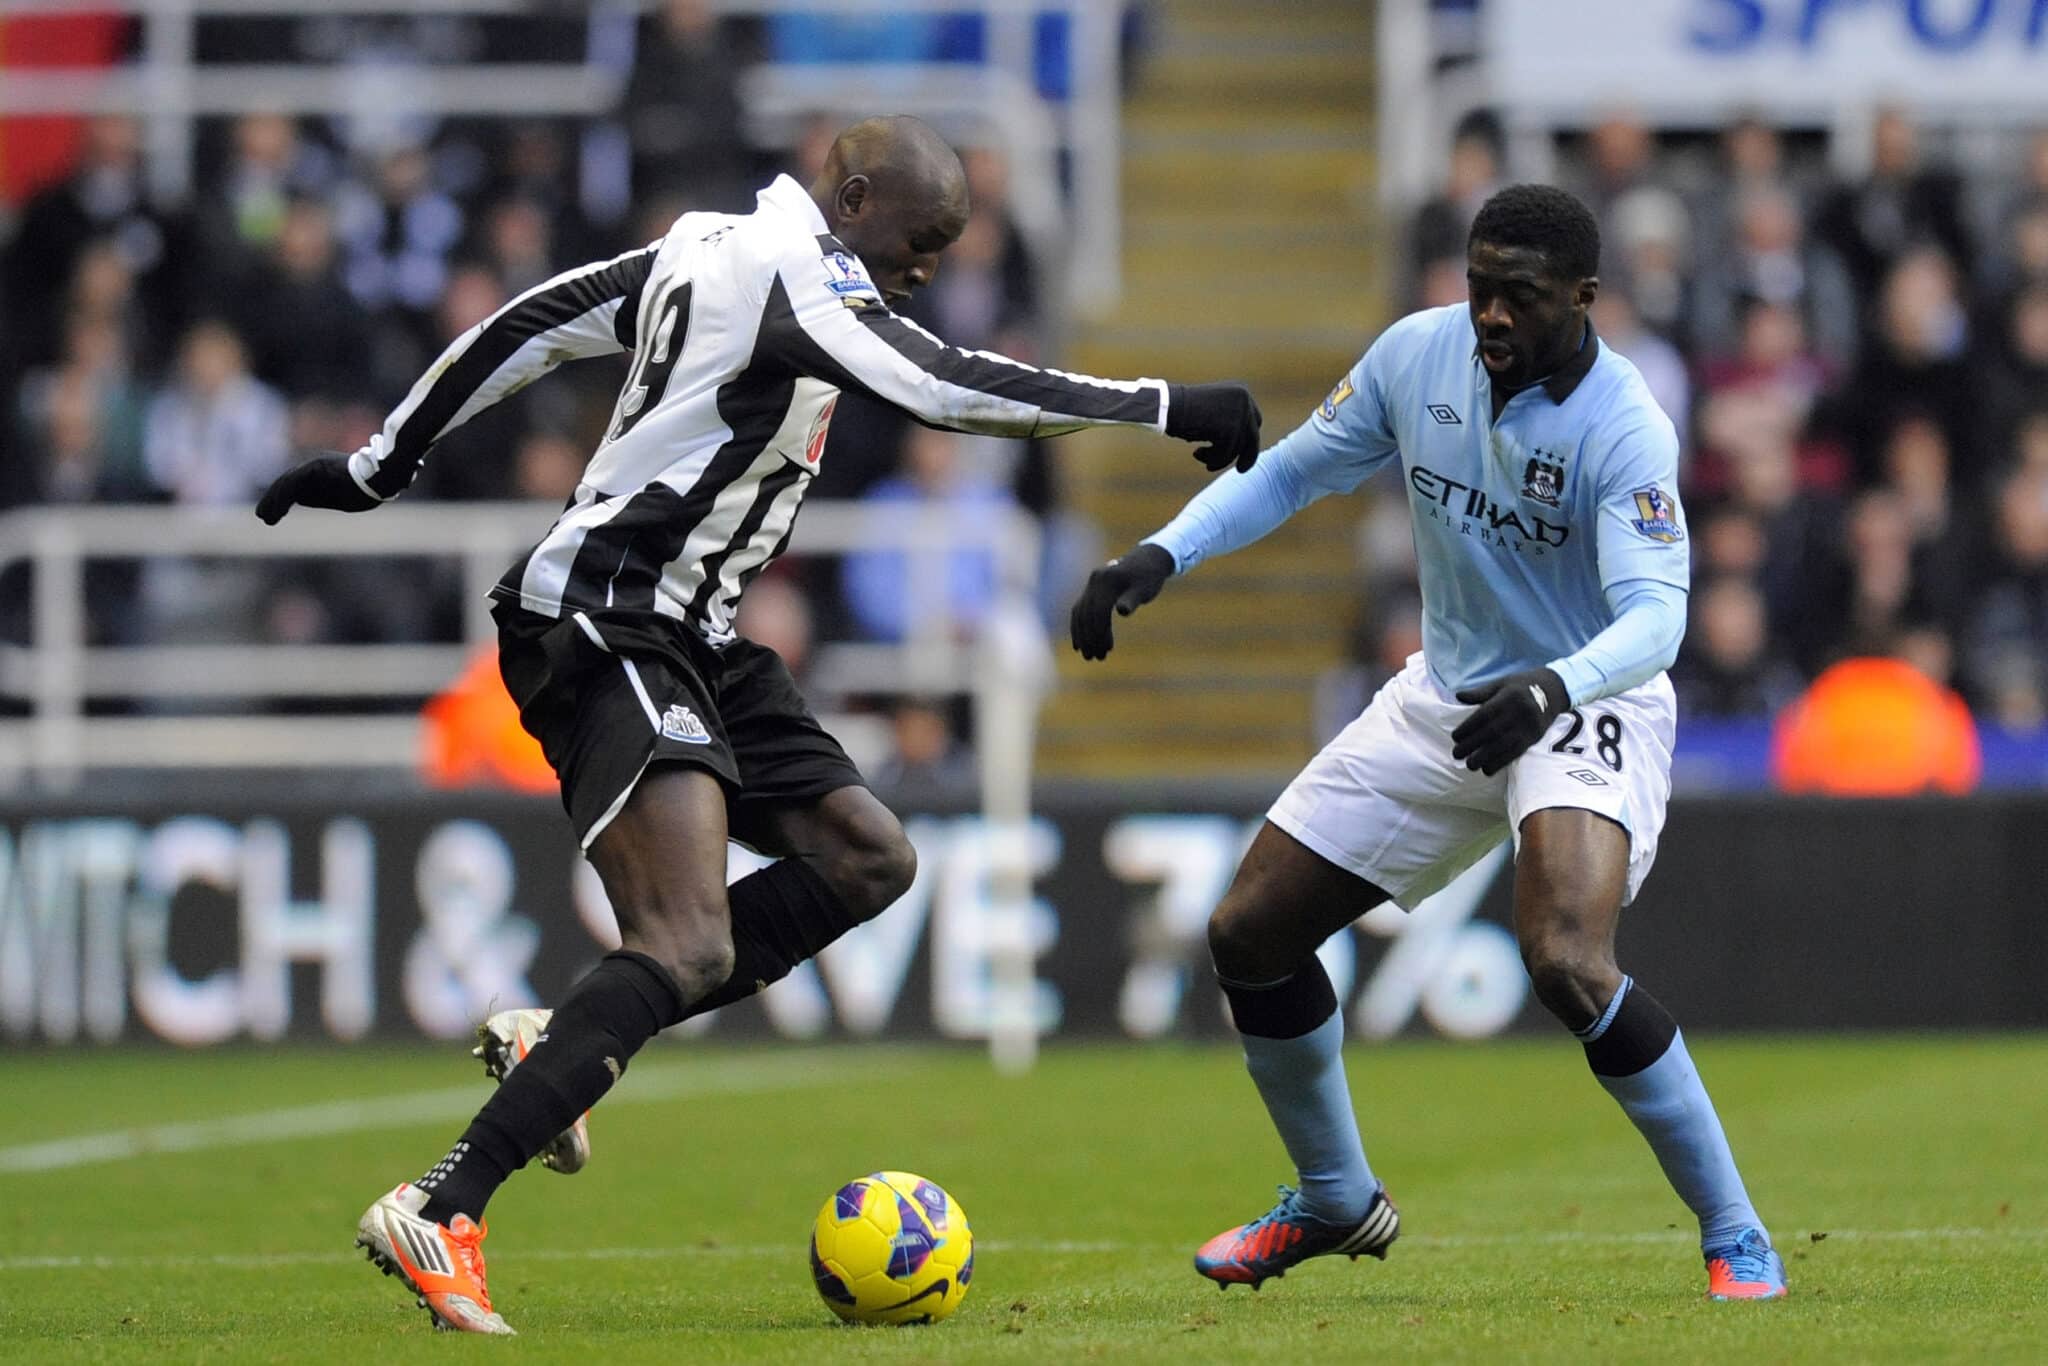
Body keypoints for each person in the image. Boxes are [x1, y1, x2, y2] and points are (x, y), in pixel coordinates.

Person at [253, 113, 1260, 1335]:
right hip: (608, 614)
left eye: (944, 248)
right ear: (854, 199)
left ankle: (561, 1040)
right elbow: (944, 385)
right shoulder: (797, 276)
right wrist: (1161, 403)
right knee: (684, 939)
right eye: (919, 239)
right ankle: (441, 1204)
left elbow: (532, 322)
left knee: (867, 856)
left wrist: (380, 460)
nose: (926, 267)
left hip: (698, 629)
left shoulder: (703, 248)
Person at [1069, 184, 1787, 1302]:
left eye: (1519, 296)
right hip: (1445, 698)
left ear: (1584, 298)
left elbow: (1656, 618)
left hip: (1586, 696)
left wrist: (1553, 685)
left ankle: (1736, 1232)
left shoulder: (1625, 423)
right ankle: (1334, 1197)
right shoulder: (1418, 355)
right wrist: (1159, 553)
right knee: (1248, 933)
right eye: (1478, 287)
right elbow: (1294, 469)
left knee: (1564, 958)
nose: (1490, 314)